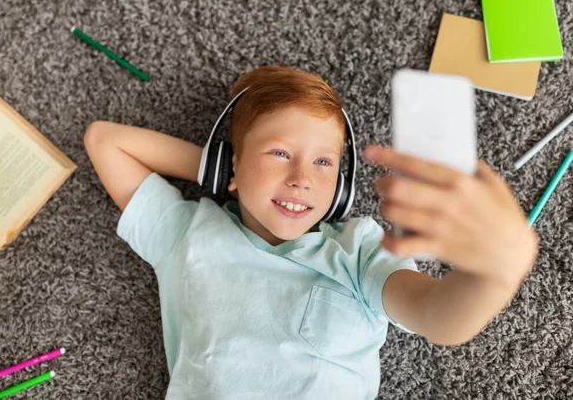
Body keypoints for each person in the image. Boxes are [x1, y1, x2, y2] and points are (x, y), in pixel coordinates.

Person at [84, 66, 538, 399]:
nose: (302, 176)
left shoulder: (358, 247)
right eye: (280, 153)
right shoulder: (187, 233)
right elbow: (105, 141)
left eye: (324, 162)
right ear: (233, 163)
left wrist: (495, 273)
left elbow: (439, 316)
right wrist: (222, 170)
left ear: (342, 184)